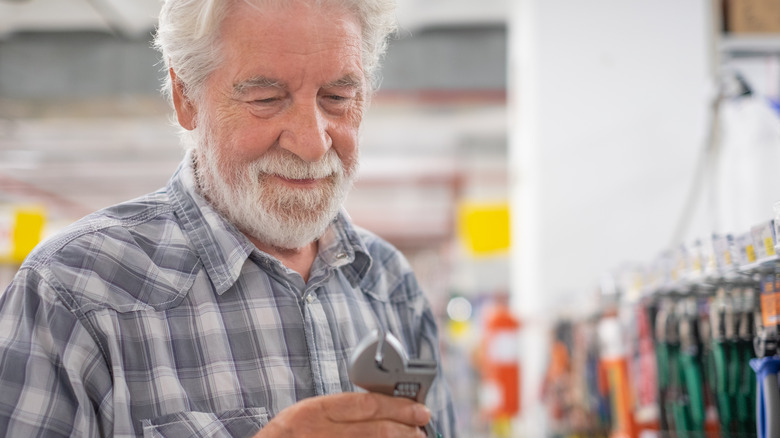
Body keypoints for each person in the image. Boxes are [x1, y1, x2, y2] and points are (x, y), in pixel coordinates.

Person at [0, 0, 457, 436]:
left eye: (337, 96)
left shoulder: (392, 288)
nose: (313, 142)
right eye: (266, 98)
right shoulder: (74, 293)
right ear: (187, 99)